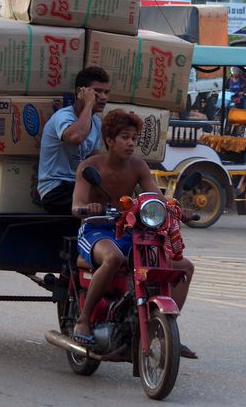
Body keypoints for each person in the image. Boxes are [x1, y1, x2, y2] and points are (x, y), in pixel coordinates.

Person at [71, 109, 198, 359]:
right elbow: (76, 204)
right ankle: (83, 320)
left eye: (134, 138)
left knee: (184, 267)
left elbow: (156, 198)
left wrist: (176, 210)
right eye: (125, 138)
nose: (131, 143)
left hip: (128, 230)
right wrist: (87, 208)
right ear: (110, 140)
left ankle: (167, 330)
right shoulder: (90, 167)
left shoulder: (138, 166)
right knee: (114, 258)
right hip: (97, 228)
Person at [37, 66, 110, 215]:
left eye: (106, 92)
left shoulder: (96, 122)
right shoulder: (63, 117)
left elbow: (94, 161)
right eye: (97, 91)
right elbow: (75, 137)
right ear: (81, 92)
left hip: (78, 186)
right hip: (56, 189)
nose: (103, 97)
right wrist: (89, 104)